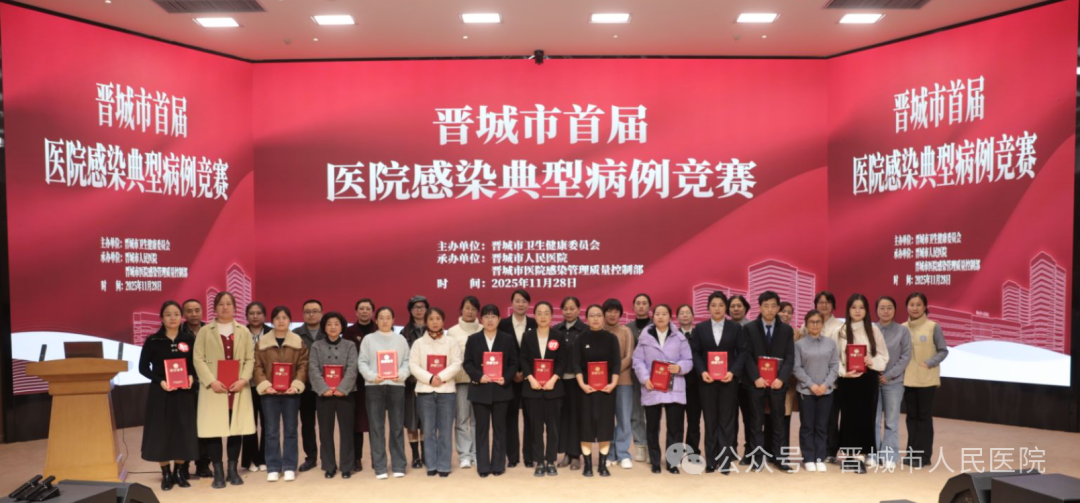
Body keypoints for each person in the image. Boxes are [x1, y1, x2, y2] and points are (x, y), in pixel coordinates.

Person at [193, 291, 257, 489]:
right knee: (214, 430)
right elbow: (198, 359)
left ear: (235, 307)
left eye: (229, 303)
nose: (225, 307)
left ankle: (233, 470)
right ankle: (218, 472)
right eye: (221, 304)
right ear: (215, 308)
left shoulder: (243, 331)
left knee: (235, 429)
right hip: (215, 388)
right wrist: (211, 381)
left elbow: (250, 359)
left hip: (237, 388)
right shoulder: (205, 331)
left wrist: (243, 379)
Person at [139, 300, 198, 491]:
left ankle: (179, 472)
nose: (172, 318)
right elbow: (143, 368)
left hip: (184, 393)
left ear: (181, 317)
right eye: (168, 314)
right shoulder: (153, 341)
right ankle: (166, 473)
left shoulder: (189, 339)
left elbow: (195, 364)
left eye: (176, 314)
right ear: (161, 318)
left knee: (183, 430)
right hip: (161, 393)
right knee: (161, 432)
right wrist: (160, 381)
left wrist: (191, 376)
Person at [689, 291, 746, 474]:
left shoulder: (735, 328)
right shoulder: (700, 328)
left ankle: (725, 461)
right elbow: (695, 352)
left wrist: (733, 372)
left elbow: (742, 352)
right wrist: (702, 371)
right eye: (713, 305)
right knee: (710, 420)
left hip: (728, 381)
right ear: (708, 307)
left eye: (721, 305)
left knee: (727, 422)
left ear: (726, 308)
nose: (717, 308)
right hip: (707, 381)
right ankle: (711, 461)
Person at [632, 305, 693, 474]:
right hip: (652, 387)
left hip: (674, 387)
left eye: (664, 314)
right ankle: (655, 461)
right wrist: (645, 378)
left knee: (675, 427)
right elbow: (637, 361)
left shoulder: (679, 337)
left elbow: (688, 360)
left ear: (670, 317)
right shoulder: (644, 337)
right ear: (653, 317)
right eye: (657, 314)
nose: (660, 317)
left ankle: (673, 462)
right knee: (652, 427)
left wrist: (679, 367)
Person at [252, 306, 309, 482]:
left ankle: (289, 466)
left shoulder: (297, 341)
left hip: (291, 393)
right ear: (272, 321)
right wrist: (265, 385)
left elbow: (303, 365)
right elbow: (257, 366)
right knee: (271, 431)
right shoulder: (262, 343)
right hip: (269, 393)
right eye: (277, 318)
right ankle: (273, 467)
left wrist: (296, 385)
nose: (281, 321)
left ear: (290, 320)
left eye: (284, 317)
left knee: (291, 429)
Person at [742, 291, 796, 471]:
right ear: (759, 307)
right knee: (756, 422)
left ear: (778, 308)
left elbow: (790, 357)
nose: (770, 309)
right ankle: (757, 458)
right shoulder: (749, 328)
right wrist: (756, 377)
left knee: (778, 421)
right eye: (766, 306)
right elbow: (746, 356)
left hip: (777, 384)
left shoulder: (786, 330)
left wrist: (781, 378)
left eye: (773, 306)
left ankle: (779, 458)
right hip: (756, 383)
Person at [463, 304, 519, 478]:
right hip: (480, 389)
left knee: (500, 428)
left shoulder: (507, 339)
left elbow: (514, 363)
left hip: (501, 389)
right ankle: (483, 466)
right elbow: (467, 363)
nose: (490, 320)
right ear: (481, 319)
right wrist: (479, 376)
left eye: (493, 316)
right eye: (486, 316)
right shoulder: (473, 339)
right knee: (481, 429)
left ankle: (498, 465)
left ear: (499, 319)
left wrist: (506, 378)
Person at [836, 293, 889, 474]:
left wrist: (871, 361)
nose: (857, 311)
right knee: (848, 417)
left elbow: (883, 355)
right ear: (848, 310)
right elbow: (835, 358)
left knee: (866, 417)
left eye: (861, 307)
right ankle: (849, 456)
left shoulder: (874, 330)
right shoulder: (841, 331)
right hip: (848, 380)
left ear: (866, 310)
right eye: (854, 307)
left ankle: (861, 457)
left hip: (868, 380)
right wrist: (844, 373)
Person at [358, 307, 412, 479]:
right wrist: (372, 377)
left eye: (388, 317)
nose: (385, 321)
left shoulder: (401, 339)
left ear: (393, 319)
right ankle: (380, 467)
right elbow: (362, 362)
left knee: (396, 427)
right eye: (381, 317)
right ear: (376, 320)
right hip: (374, 386)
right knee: (376, 427)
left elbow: (407, 361)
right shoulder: (368, 339)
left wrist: (400, 375)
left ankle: (399, 465)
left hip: (396, 386)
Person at [409, 307, 463, 478]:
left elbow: (456, 363)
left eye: (438, 318)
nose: (434, 322)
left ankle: (444, 465)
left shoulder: (451, 342)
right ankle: (431, 464)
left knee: (445, 430)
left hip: (446, 391)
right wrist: (430, 378)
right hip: (425, 391)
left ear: (443, 321)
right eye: (431, 319)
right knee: (428, 430)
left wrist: (440, 377)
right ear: (426, 321)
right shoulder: (418, 343)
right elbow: (413, 366)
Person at [520, 301, 568, 477]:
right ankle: (539, 461)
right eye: (539, 313)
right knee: (536, 427)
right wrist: (531, 378)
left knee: (553, 428)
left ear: (551, 316)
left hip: (553, 389)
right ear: (534, 316)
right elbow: (523, 359)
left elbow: (562, 361)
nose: (542, 316)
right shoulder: (528, 336)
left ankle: (551, 460)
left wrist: (553, 379)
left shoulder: (558, 336)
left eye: (546, 313)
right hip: (532, 389)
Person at [309, 311, 359, 479]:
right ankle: (329, 466)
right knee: (325, 432)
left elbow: (352, 368)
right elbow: (313, 369)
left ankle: (347, 466)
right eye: (329, 324)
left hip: (345, 394)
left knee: (347, 431)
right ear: (324, 327)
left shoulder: (350, 345)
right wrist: (323, 388)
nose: (333, 327)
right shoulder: (317, 346)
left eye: (336, 324)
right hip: (324, 394)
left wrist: (342, 388)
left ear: (342, 327)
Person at [574, 305, 621, 478]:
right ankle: (587, 465)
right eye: (592, 315)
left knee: (605, 426)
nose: (595, 318)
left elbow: (616, 363)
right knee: (586, 425)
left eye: (598, 315)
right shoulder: (580, 338)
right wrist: (582, 384)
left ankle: (602, 465)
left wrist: (613, 383)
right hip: (586, 389)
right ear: (586, 318)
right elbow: (576, 364)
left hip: (606, 389)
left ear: (603, 318)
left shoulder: (611, 338)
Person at [902, 292, 948, 468]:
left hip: (926, 379)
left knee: (924, 417)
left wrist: (929, 363)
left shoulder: (933, 327)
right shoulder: (902, 327)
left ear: (925, 307)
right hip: (908, 378)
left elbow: (943, 351)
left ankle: (923, 455)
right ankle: (911, 453)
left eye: (918, 304)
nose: (915, 308)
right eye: (911, 304)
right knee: (911, 417)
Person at [793, 310, 839, 473]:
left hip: (826, 391)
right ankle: (808, 458)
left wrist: (825, 385)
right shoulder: (799, 345)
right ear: (806, 324)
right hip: (806, 391)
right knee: (807, 426)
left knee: (822, 426)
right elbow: (796, 367)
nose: (815, 324)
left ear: (822, 324)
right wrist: (811, 385)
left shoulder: (831, 344)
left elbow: (834, 366)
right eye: (811, 322)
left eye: (818, 321)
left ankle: (820, 457)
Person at [498, 289, 537, 468]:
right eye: (517, 301)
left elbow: (537, 353)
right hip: (509, 378)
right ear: (512, 303)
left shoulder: (535, 323)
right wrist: (512, 373)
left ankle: (529, 456)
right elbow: (500, 352)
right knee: (510, 418)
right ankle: (512, 457)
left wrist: (526, 373)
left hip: (531, 379)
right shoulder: (502, 324)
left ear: (529, 304)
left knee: (530, 418)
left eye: (524, 301)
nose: (521, 304)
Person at [873, 296, 911, 470]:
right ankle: (873, 453)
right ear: (876, 310)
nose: (886, 311)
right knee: (873, 420)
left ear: (895, 310)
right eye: (882, 308)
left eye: (889, 307)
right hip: (873, 382)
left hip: (893, 382)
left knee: (891, 421)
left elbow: (905, 357)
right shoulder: (871, 330)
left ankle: (890, 455)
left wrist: (888, 375)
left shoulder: (902, 331)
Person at [342, 298, 377, 473]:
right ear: (356, 312)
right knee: (356, 423)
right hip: (356, 384)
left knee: (375, 422)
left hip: (376, 382)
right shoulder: (348, 332)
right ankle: (357, 458)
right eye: (361, 308)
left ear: (372, 312)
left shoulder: (379, 330)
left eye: (367, 308)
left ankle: (377, 457)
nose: (364, 311)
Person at [602, 299, 636, 469]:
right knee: (606, 420)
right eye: (609, 311)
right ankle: (609, 454)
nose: (612, 314)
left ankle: (623, 454)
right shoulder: (598, 331)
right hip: (601, 383)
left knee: (623, 419)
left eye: (616, 311)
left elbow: (629, 357)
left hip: (623, 381)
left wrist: (612, 373)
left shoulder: (626, 331)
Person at [448, 296, 481, 469]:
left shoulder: (484, 329)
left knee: (478, 420)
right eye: (467, 308)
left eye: (474, 309)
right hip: (461, 381)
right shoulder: (452, 331)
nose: (470, 312)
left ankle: (477, 453)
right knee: (461, 420)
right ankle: (464, 455)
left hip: (481, 381)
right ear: (461, 309)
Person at [813, 291, 846, 465]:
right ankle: (816, 449)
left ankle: (831, 450)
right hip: (813, 379)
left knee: (832, 417)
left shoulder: (840, 326)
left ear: (833, 305)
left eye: (827, 302)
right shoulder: (809, 324)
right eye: (820, 302)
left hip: (834, 379)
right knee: (815, 418)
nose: (824, 305)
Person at [553, 296, 587, 470]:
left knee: (576, 417)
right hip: (559, 380)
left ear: (579, 310)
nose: (568, 312)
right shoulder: (556, 330)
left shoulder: (585, 330)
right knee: (563, 417)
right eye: (565, 309)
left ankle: (576, 455)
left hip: (578, 381)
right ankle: (566, 453)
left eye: (572, 308)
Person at [292, 299, 325, 472]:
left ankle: (327, 457)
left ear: (321, 313)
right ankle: (311, 458)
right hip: (304, 387)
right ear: (303, 314)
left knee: (326, 424)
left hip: (325, 386)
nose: (311, 314)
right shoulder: (295, 334)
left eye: (315, 311)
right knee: (307, 424)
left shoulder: (328, 331)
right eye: (307, 311)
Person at [182, 298, 212, 479]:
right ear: (184, 314)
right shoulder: (178, 332)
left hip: (207, 385)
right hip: (184, 386)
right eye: (189, 311)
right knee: (186, 427)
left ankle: (203, 464)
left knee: (206, 426)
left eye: (197, 310)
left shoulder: (210, 331)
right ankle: (183, 464)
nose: (194, 314)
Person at [767, 302, 801, 460]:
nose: (786, 315)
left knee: (785, 417)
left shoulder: (796, 332)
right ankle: (768, 451)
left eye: (789, 312)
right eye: (783, 311)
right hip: (768, 379)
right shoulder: (769, 329)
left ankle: (782, 452)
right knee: (768, 416)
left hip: (788, 381)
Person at [401, 295, 429, 469]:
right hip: (410, 383)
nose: (419, 310)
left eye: (422, 307)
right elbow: (402, 358)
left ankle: (426, 454)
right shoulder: (403, 333)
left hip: (429, 382)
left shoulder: (434, 329)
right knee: (411, 421)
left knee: (426, 420)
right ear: (410, 311)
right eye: (415, 307)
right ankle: (415, 456)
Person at [624, 293, 652, 464]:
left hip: (654, 377)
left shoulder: (657, 326)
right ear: (633, 306)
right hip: (633, 376)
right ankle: (640, 446)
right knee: (635, 413)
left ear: (649, 306)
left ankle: (653, 447)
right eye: (638, 303)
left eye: (644, 303)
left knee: (653, 414)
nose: (641, 306)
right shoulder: (627, 328)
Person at [241, 301, 268, 473]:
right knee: (249, 423)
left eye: (259, 313)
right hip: (246, 385)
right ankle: (251, 459)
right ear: (246, 316)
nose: (255, 316)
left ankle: (264, 458)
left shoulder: (272, 333)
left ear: (264, 315)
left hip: (267, 385)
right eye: (252, 313)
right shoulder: (240, 333)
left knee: (267, 423)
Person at [728, 294, 754, 463]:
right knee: (729, 418)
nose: (736, 309)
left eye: (739, 306)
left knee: (749, 418)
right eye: (732, 306)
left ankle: (750, 452)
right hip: (728, 379)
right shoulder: (724, 327)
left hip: (748, 380)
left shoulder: (752, 328)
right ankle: (730, 450)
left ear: (745, 308)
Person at [675, 304, 702, 458]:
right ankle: (677, 453)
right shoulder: (673, 335)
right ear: (677, 317)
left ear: (693, 316)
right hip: (677, 383)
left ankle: (692, 452)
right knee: (677, 422)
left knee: (694, 421)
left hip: (696, 385)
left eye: (687, 312)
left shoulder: (700, 333)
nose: (685, 315)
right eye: (681, 313)